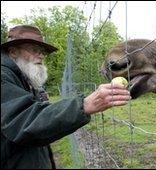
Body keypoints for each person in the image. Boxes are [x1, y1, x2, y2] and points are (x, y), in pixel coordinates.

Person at [1, 25, 131, 169]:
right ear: (13, 51)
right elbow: (24, 120)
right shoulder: (3, 77)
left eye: (42, 51)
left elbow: (35, 125)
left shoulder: (24, 79)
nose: (41, 55)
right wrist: (84, 105)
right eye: (34, 50)